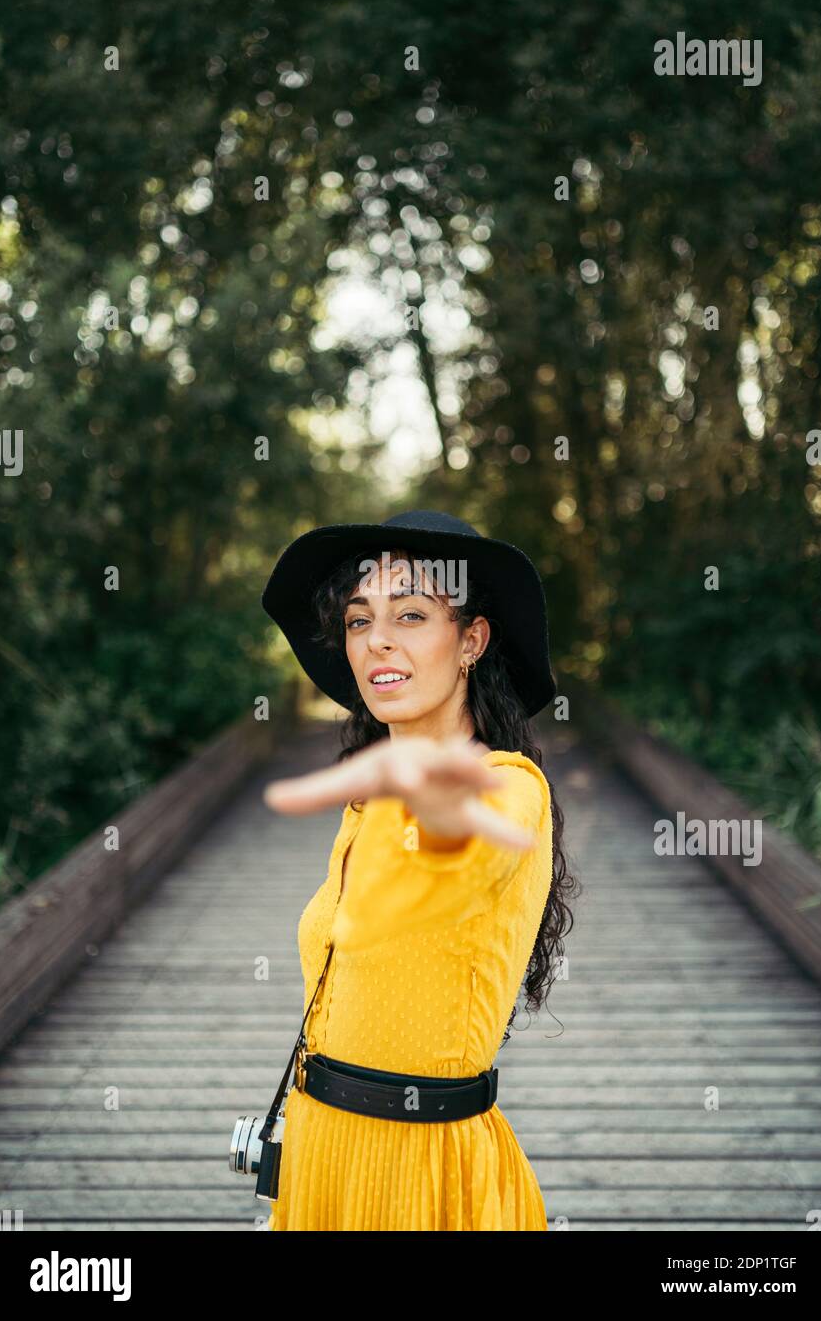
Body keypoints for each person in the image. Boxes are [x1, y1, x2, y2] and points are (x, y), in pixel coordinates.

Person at [259, 509, 577, 1230]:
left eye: (410, 615)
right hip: (320, 1148)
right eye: (358, 619)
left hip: (422, 1168)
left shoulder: (509, 786)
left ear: (471, 640)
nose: (378, 641)